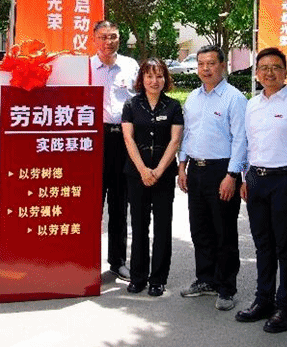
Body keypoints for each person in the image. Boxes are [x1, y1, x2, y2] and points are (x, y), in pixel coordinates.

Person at [236, 47, 287, 333]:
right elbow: (249, 144)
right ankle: (264, 300)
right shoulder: (251, 105)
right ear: (256, 73)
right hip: (256, 179)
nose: (269, 72)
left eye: (275, 67)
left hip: (286, 179)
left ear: (285, 72)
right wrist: (245, 177)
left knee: (285, 246)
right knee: (262, 244)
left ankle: (286, 308)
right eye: (264, 68)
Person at [177, 45, 247, 311]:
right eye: (201, 64)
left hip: (222, 171)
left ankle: (226, 287)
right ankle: (206, 279)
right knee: (200, 229)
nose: (206, 69)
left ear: (222, 66)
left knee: (224, 231)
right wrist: (182, 166)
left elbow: (241, 139)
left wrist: (232, 175)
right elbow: (188, 135)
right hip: (196, 170)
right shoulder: (193, 98)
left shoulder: (234, 98)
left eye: (211, 63)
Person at [121, 58, 183, 296]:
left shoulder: (173, 106)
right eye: (149, 76)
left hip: (163, 175)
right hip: (136, 174)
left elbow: (175, 141)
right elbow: (128, 139)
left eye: (159, 76)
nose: (154, 81)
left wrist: (157, 171)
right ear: (142, 79)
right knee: (139, 226)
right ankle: (138, 277)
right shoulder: (131, 105)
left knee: (162, 226)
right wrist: (143, 171)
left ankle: (158, 279)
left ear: (165, 79)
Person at [90, 20, 139, 280]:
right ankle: (86, 262)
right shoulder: (85, 68)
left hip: (123, 140)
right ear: (94, 39)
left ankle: (118, 261)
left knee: (120, 204)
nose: (108, 42)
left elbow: (140, 101)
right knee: (91, 205)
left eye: (113, 36)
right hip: (93, 141)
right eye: (103, 36)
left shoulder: (131, 66)